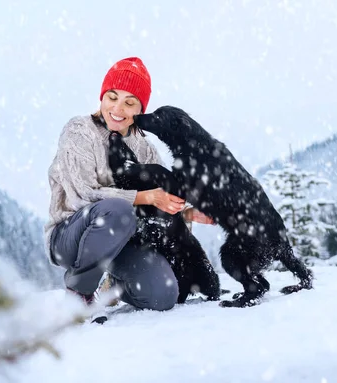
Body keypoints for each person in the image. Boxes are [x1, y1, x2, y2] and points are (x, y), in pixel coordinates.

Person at [44, 57, 214, 312]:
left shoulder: (143, 148)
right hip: (71, 236)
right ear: (102, 97)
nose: (118, 108)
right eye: (112, 97)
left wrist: (185, 210)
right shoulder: (80, 131)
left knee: (163, 295)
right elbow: (83, 195)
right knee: (117, 210)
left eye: (130, 102)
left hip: (124, 240)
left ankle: (114, 285)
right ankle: (79, 293)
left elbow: (163, 195)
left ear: (140, 110)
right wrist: (145, 198)